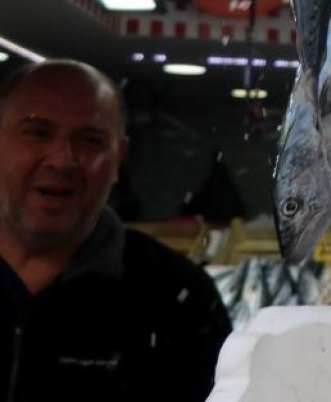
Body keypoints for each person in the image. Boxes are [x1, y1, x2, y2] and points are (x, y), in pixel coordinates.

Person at [0, 60, 231, 401]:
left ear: (118, 157)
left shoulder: (178, 299)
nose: (62, 160)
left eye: (91, 140)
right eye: (38, 132)